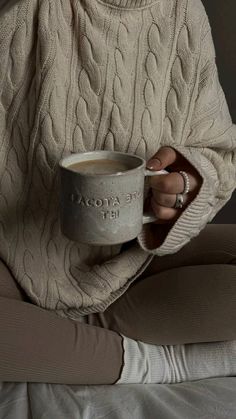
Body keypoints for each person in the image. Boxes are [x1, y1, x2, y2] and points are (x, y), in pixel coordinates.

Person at [0, 0, 235, 385]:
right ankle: (153, 363)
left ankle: (53, 336)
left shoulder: (183, 13)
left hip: (136, 262)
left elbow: (220, 153)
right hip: (14, 261)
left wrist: (185, 184)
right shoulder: (26, 11)